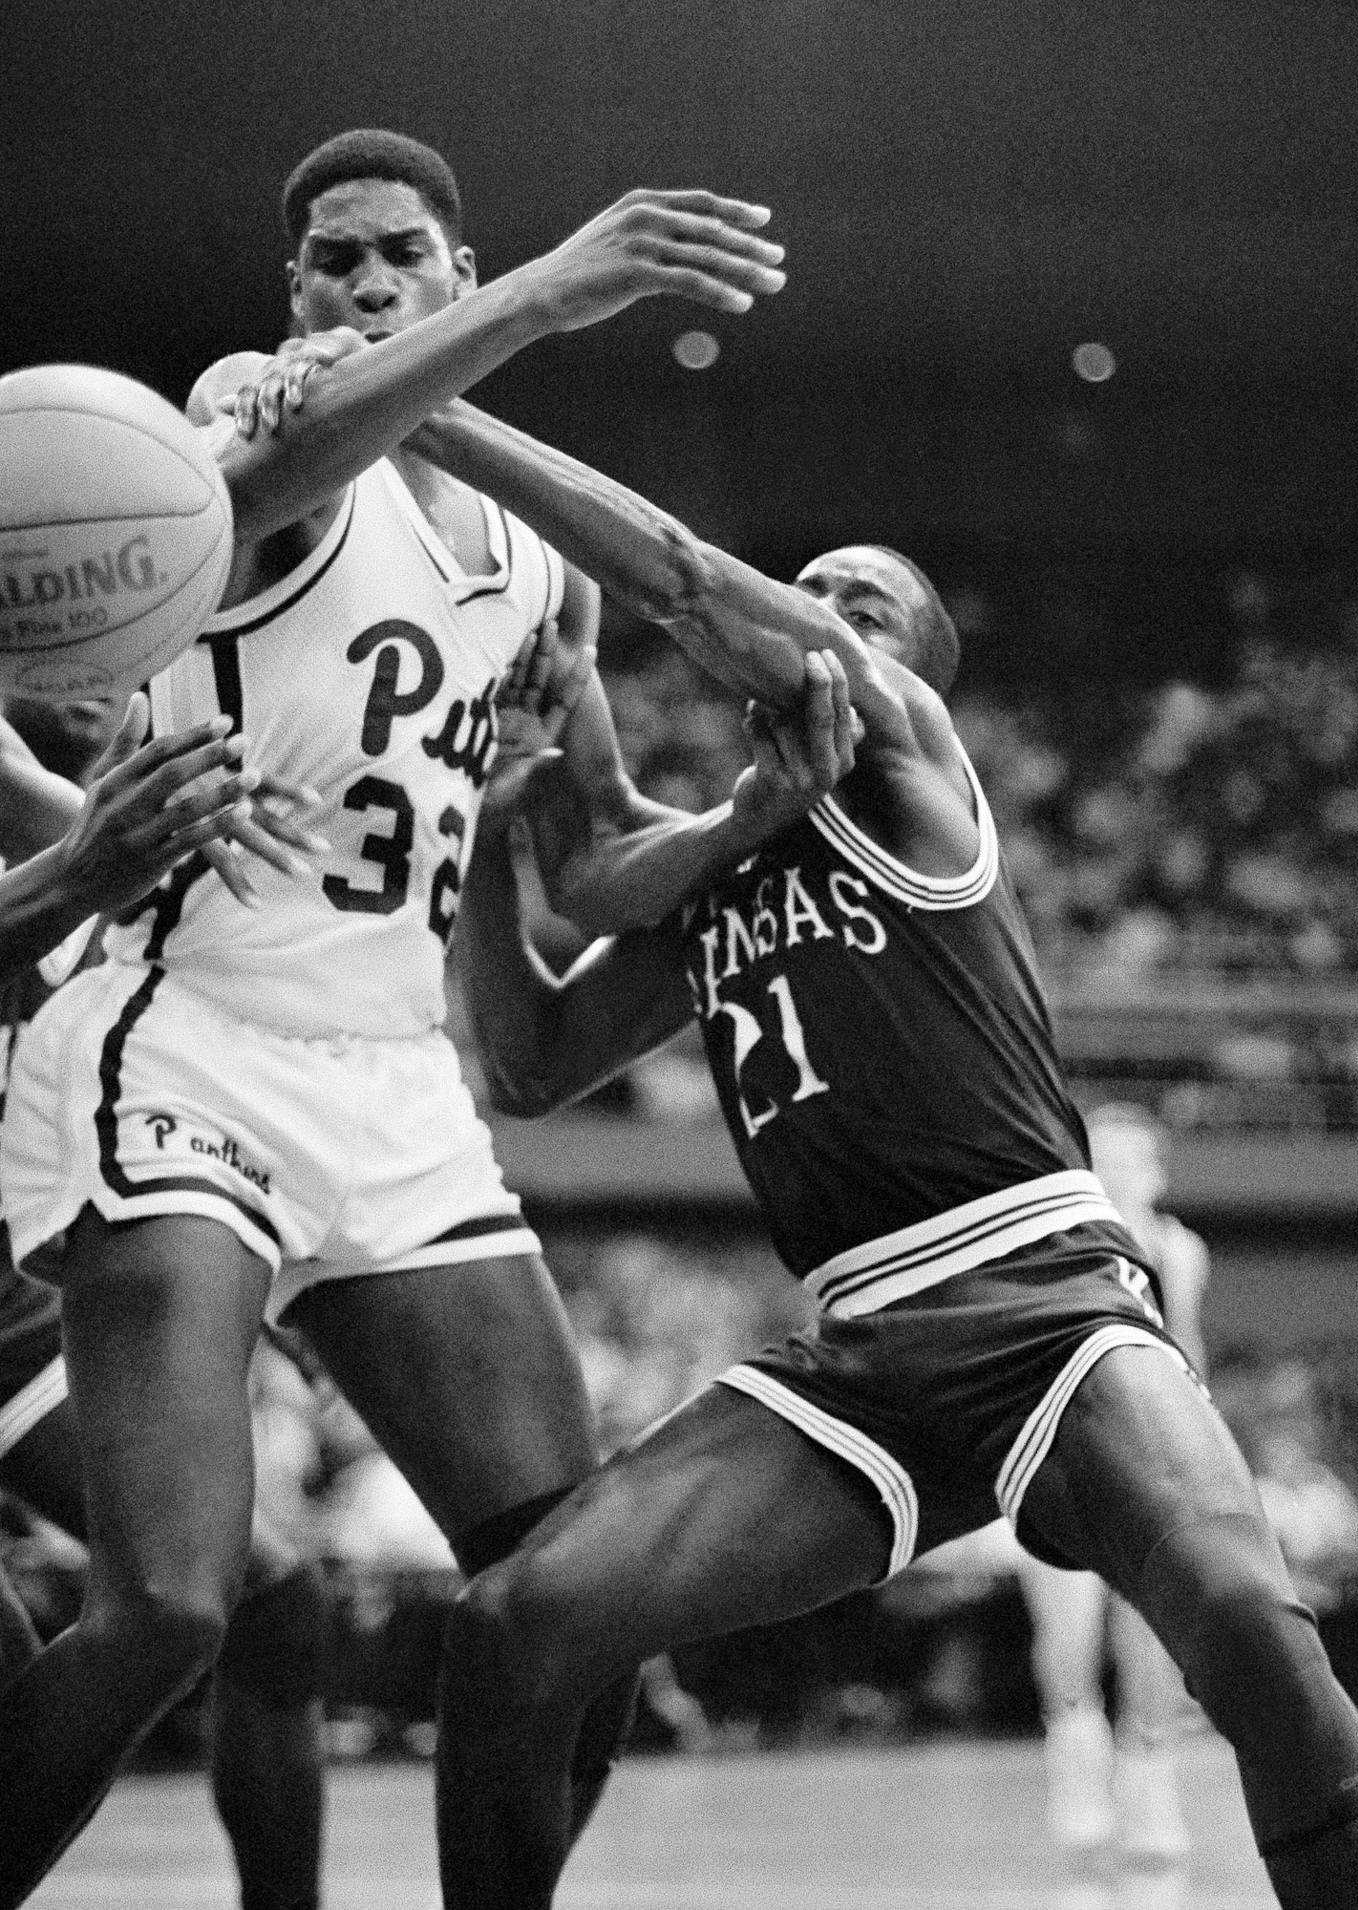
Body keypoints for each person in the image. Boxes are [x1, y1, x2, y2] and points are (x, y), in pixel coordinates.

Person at [393, 399, 1358, 1910]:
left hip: (1047, 1299)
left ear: (908, 669)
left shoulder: (916, 770)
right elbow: (533, 1058)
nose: (819, 609)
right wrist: (491, 835)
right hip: (860, 1351)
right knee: (509, 1630)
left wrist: (424, 400)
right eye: (809, 585)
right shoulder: (722, 873)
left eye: (858, 600)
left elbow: (679, 572)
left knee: (1253, 1624)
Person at [0, 127, 798, 1906]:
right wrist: (554, 290)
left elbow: (585, 867)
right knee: (176, 1604)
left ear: (446, 262)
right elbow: (290, 452)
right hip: (184, 1032)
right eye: (332, 262)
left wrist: (741, 822)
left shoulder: (541, 565)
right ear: (294, 293)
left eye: (397, 257)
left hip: (394, 1089)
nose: (361, 286)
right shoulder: (251, 418)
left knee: (574, 1607)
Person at [0, 691, 327, 1910]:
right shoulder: (96, 837)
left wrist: (292, 1275)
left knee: (270, 1601)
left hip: (8, 1294)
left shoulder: (130, 827)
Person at [1015, 1101, 1210, 1866]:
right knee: (1068, 1636)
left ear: (1156, 1169)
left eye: (1136, 1155)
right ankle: (1077, 1782)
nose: (1122, 1167)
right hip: (1059, 1451)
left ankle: (1151, 1788)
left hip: (1148, 1455)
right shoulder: (1052, 1238)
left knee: (1150, 1632)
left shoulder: (1178, 1249)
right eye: (1108, 1154)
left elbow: (1187, 1351)